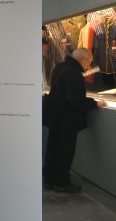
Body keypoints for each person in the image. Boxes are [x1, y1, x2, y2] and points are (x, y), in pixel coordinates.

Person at [44, 48, 105, 193]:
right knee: (65, 152)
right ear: (83, 59)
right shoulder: (74, 73)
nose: (88, 66)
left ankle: (49, 180)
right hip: (67, 120)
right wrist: (94, 103)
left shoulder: (60, 66)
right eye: (89, 62)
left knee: (53, 149)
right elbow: (74, 100)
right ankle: (61, 182)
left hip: (55, 116)